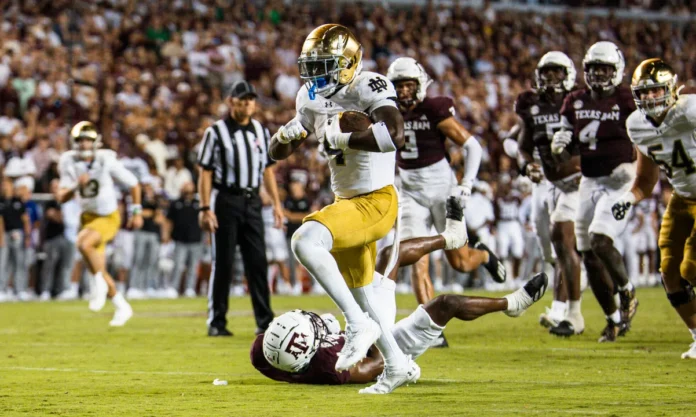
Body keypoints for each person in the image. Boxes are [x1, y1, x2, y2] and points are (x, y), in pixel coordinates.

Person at [269, 24, 437, 394]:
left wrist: (342, 135)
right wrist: (287, 136)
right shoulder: (308, 98)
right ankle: (396, 365)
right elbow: (274, 152)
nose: (315, 73)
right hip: (347, 202)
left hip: (377, 199)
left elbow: (396, 136)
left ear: (347, 63)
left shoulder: (368, 86)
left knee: (305, 240)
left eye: (324, 64)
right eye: (311, 65)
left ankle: (356, 325)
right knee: (362, 293)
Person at [250, 197, 548, 385]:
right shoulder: (333, 367)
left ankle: (450, 237)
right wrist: (389, 348)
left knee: (390, 255)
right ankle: (513, 303)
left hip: (357, 334)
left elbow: (275, 359)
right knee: (446, 303)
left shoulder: (266, 352)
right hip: (381, 347)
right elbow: (377, 362)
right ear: (312, 350)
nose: (315, 319)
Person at [385, 57, 505, 326]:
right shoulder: (385, 112)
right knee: (417, 257)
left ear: (419, 85)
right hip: (409, 191)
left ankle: (483, 254)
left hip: (442, 190)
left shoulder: (434, 108)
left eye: (408, 85)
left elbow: (472, 146)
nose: (403, 91)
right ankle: (430, 328)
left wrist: (466, 185)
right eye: (399, 86)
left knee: (460, 262)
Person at [551, 41, 639, 342]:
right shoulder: (574, 100)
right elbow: (565, 141)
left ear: (617, 71)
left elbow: (646, 132)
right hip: (589, 180)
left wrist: (637, 168)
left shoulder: (628, 98)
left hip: (619, 180)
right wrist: (560, 145)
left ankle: (628, 292)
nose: (599, 74)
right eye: (594, 69)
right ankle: (613, 319)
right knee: (587, 253)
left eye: (605, 68)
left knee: (601, 241)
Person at [611, 58, 696, 359]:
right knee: (670, 272)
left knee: (691, 268)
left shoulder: (691, 110)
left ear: (671, 89)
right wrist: (627, 198)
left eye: (656, 91)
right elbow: (646, 180)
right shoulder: (636, 125)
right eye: (643, 93)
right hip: (683, 198)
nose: (649, 98)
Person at [197, 80, 284, 337]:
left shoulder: (260, 130)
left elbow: (268, 170)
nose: (246, 104)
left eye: (250, 100)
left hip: (253, 201)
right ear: (230, 101)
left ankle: (265, 321)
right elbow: (205, 172)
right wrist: (205, 208)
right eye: (241, 99)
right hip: (226, 199)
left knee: (257, 261)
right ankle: (217, 322)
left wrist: (277, 204)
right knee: (223, 262)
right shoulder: (216, 132)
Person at [512, 51, 585, 335]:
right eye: (547, 73)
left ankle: (565, 309)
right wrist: (525, 165)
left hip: (577, 181)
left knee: (565, 243)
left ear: (568, 75)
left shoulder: (581, 103)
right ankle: (573, 290)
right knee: (550, 249)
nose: (551, 78)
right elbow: (522, 145)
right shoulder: (531, 105)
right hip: (545, 182)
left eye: (557, 72)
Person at [57, 121, 141, 326]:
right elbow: (61, 197)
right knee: (98, 267)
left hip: (108, 216)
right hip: (87, 217)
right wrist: (77, 185)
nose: (85, 145)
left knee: (83, 244)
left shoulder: (106, 158)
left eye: (88, 140)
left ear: (95, 142)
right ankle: (122, 306)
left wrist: (136, 212)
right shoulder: (67, 161)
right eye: (81, 140)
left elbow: (133, 184)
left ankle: (98, 286)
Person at [167, 181, 203, 297]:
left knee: (193, 266)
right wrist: (167, 235)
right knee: (177, 265)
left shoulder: (199, 203)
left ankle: (190, 288)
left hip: (196, 240)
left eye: (189, 185)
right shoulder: (176, 203)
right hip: (180, 239)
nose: (187, 188)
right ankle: (173, 287)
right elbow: (169, 221)